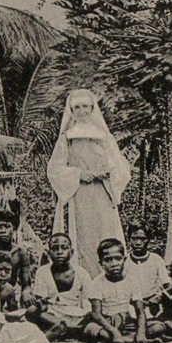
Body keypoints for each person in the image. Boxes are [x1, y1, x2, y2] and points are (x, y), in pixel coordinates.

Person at [47, 88, 130, 276]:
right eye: (77, 107)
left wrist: (106, 172)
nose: (82, 111)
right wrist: (77, 174)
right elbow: (54, 169)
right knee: (83, 236)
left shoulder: (104, 137)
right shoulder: (67, 138)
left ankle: (109, 277)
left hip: (102, 193)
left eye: (86, 106)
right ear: (71, 110)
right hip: (79, 195)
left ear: (93, 108)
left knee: (105, 233)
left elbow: (120, 166)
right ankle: (84, 278)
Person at [83, 237, 152, 343]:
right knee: (92, 329)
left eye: (118, 259)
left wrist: (141, 333)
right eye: (108, 260)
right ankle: (130, 342)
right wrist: (114, 331)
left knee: (157, 327)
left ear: (124, 260)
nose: (114, 264)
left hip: (127, 323)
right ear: (101, 263)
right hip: (106, 323)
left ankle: (116, 342)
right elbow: (96, 314)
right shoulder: (97, 282)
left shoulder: (132, 281)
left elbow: (140, 310)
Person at [24, 232, 91, 341]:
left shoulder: (82, 273)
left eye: (64, 248)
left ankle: (66, 330)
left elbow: (88, 302)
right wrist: (39, 304)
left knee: (93, 319)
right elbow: (42, 303)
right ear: (49, 253)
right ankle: (68, 330)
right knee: (31, 311)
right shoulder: (42, 272)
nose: (60, 252)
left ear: (72, 252)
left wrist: (87, 315)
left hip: (76, 315)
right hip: (52, 315)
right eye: (55, 248)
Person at [0, 209, 39, 293]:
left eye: (7, 226)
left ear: (13, 229)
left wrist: (26, 294)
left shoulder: (20, 252)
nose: (3, 231)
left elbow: (26, 284)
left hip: (10, 293)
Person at [123, 222, 170, 312]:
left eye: (142, 239)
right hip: (129, 306)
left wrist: (158, 297)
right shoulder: (124, 261)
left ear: (148, 239)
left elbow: (168, 285)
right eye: (134, 238)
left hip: (151, 305)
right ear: (129, 239)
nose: (138, 242)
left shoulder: (156, 259)